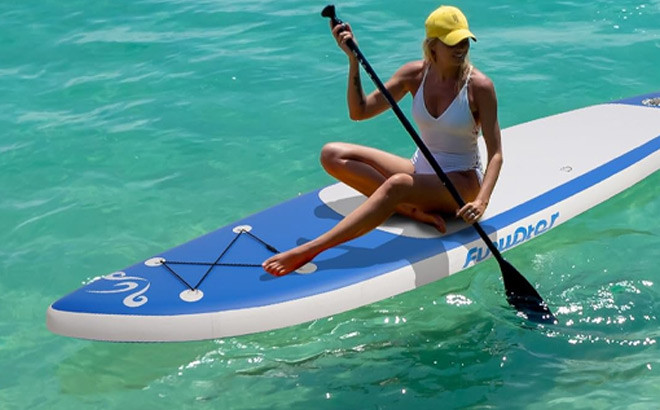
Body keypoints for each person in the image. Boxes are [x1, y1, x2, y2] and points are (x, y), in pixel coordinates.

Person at [263, 5, 503, 277]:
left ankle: (312, 249)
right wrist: (352, 61)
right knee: (332, 155)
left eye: (464, 40)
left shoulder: (479, 87)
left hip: (461, 184)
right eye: (452, 42)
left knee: (398, 184)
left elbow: (496, 154)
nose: (461, 48)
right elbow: (360, 111)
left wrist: (482, 202)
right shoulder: (414, 74)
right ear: (433, 45)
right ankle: (411, 210)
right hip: (422, 169)